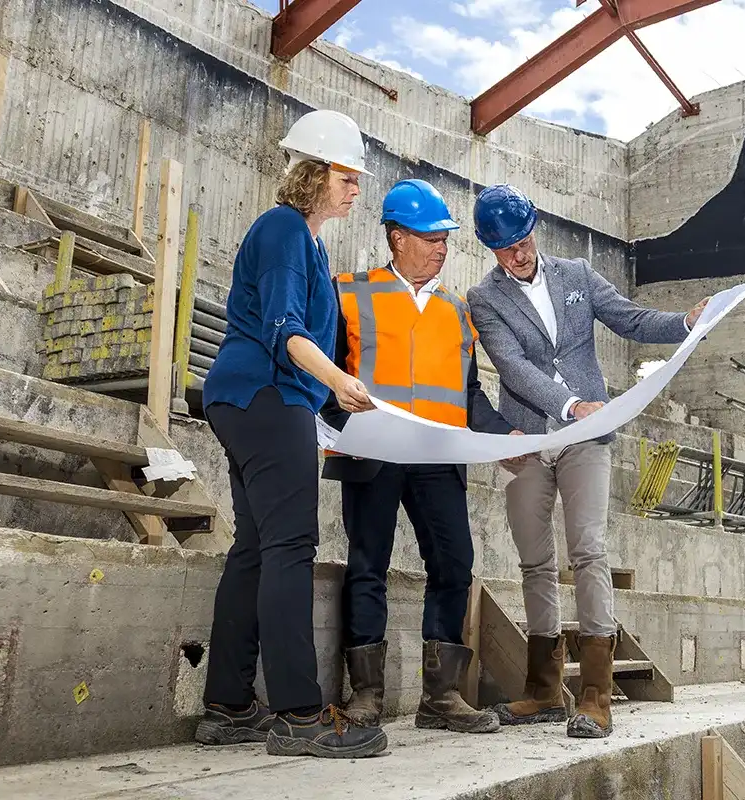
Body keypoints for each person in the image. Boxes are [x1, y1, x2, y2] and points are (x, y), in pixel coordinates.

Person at [465, 183, 709, 739]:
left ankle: (596, 692)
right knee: (534, 561)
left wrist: (684, 323)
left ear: (534, 231)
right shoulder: (484, 299)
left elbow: (630, 319)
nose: (518, 255)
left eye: (523, 242)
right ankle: (544, 688)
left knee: (589, 549)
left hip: (587, 437)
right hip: (528, 438)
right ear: (490, 250)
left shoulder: (576, 274)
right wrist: (569, 405)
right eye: (504, 250)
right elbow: (512, 368)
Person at [193, 109, 388, 759]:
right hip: (263, 396)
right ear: (312, 173)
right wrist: (336, 381)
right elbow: (284, 329)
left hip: (255, 400)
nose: (357, 190)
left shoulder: (308, 243)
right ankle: (301, 717)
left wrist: (331, 407)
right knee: (290, 546)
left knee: (255, 547)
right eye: (347, 177)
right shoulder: (283, 230)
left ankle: (227, 705)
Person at [319, 178, 517, 735]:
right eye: (430, 236)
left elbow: (470, 393)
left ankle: (441, 697)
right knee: (367, 566)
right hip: (374, 449)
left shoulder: (458, 310)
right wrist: (336, 429)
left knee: (455, 565)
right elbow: (327, 376)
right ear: (396, 237)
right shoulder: (349, 292)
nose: (441, 247)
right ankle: (366, 696)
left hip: (437, 454)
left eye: (445, 238)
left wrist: (505, 438)